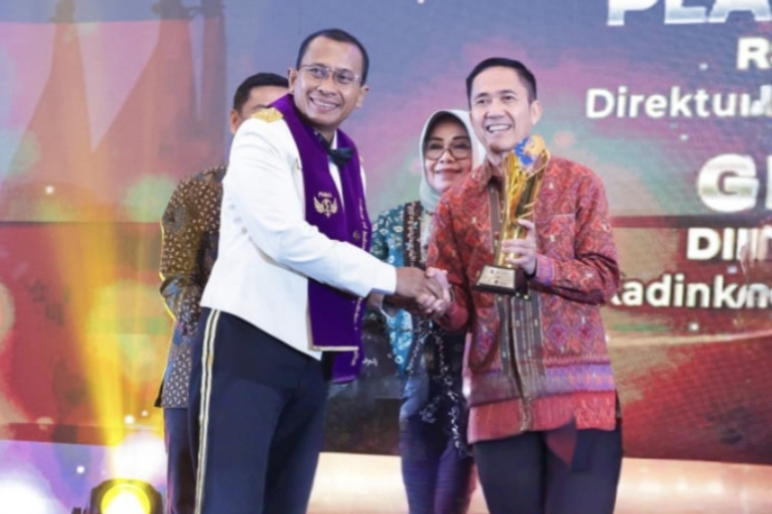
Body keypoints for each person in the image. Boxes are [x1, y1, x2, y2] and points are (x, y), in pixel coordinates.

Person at [188, 28, 448, 514]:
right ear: (294, 77)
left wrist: (393, 293)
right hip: (248, 341)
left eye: (343, 78)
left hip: (312, 354)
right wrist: (393, 278)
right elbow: (285, 238)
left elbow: (340, 252)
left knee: (285, 503)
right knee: (230, 501)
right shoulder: (262, 134)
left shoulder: (347, 157)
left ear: (361, 94)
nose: (328, 86)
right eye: (317, 72)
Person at [427, 57, 623, 514]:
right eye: (482, 101)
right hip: (498, 406)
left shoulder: (578, 183)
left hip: (580, 404)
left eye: (507, 98)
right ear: (472, 114)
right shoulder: (455, 203)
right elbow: (461, 311)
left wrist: (540, 266)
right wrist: (437, 300)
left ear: (534, 110)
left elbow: (605, 277)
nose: (494, 110)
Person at [157, 72, 289, 514]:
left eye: (284, 119)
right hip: (195, 368)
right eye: (261, 116)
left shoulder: (305, 200)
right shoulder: (199, 191)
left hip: (272, 377)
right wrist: (221, 324)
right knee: (189, 499)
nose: (274, 129)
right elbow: (176, 279)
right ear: (235, 121)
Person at [370, 110, 484, 514]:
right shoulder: (391, 222)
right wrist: (396, 297)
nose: (445, 158)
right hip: (414, 392)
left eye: (460, 146)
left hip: (478, 393)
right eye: (434, 147)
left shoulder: (495, 225)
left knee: (449, 503)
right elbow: (361, 292)